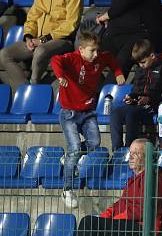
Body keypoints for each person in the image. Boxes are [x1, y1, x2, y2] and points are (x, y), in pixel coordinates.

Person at [51, 31, 125, 208]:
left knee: (94, 142)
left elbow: (111, 60)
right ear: (81, 49)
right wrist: (60, 76)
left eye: (97, 50)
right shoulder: (72, 58)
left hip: (88, 111)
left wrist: (118, 72)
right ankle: (67, 189)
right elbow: (55, 60)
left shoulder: (101, 57)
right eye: (92, 50)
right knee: (75, 147)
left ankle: (69, 157)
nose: (96, 54)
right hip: (69, 113)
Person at [0, 0, 83, 89]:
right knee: (4, 54)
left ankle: (34, 86)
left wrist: (43, 40)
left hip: (62, 40)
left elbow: (71, 24)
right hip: (38, 39)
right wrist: (29, 37)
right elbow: (33, 16)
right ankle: (24, 88)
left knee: (41, 51)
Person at [72, 139, 162, 236]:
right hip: (128, 226)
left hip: (144, 231)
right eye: (131, 153)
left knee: (89, 224)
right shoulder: (134, 178)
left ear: (147, 157)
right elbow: (121, 204)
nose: (131, 157)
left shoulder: (157, 176)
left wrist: (116, 218)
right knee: (91, 235)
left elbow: (144, 208)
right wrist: (106, 216)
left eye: (137, 153)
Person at [109, 39, 162, 151]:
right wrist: (132, 97)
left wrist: (149, 99)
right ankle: (117, 150)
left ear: (152, 55)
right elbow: (136, 89)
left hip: (156, 105)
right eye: (138, 63)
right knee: (115, 112)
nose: (140, 65)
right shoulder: (140, 69)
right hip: (140, 104)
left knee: (131, 113)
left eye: (143, 62)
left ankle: (130, 149)